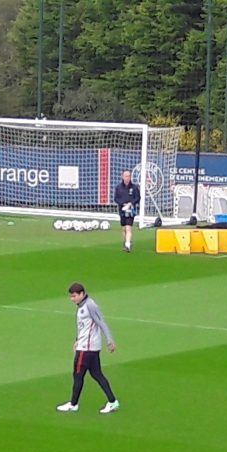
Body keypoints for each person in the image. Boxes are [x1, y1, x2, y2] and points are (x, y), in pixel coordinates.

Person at [56, 282, 120, 414]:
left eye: (74, 296)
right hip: (87, 346)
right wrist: (77, 340)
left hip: (86, 349)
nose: (72, 299)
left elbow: (101, 322)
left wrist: (109, 340)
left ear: (82, 294)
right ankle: (113, 401)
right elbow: (84, 327)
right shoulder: (81, 305)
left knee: (78, 375)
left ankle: (73, 404)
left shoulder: (90, 305)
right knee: (97, 374)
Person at [113, 170, 140, 252]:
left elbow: (138, 198)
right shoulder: (118, 187)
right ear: (122, 176)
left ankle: (128, 245)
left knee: (128, 228)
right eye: (126, 176)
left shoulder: (134, 187)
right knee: (124, 228)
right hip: (122, 210)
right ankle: (126, 242)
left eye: (129, 176)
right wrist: (123, 204)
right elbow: (116, 199)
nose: (127, 178)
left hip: (131, 210)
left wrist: (130, 203)